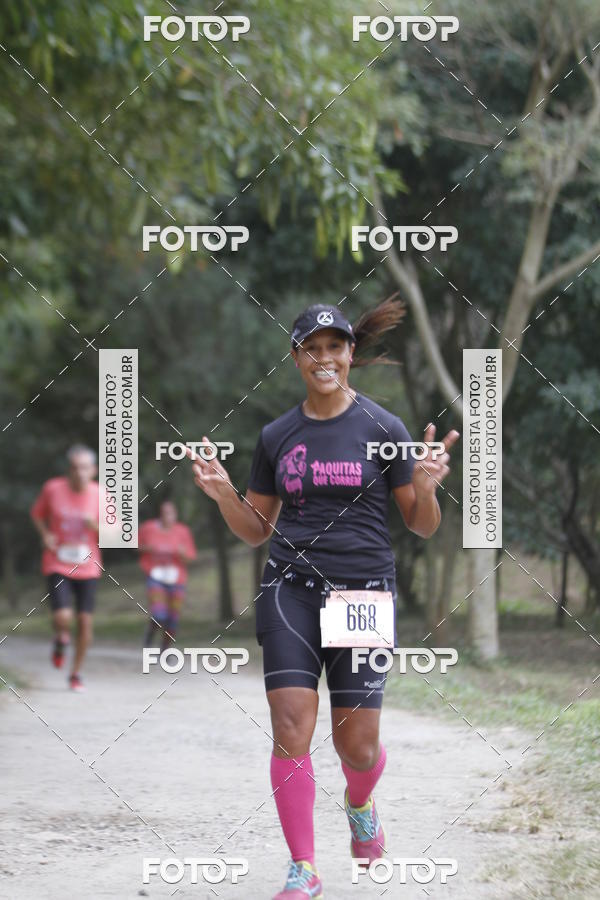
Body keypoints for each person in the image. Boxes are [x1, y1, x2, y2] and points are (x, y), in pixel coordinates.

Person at [185, 298, 459, 899]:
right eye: (312, 348)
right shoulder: (277, 435)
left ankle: (360, 806)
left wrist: (427, 488)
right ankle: (303, 867)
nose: (324, 357)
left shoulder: (384, 429)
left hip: (362, 594)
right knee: (290, 725)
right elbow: (257, 527)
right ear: (297, 357)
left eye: (335, 346)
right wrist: (225, 494)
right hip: (290, 589)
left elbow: (421, 523)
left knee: (355, 747)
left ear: (350, 353)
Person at [31, 444, 102, 692]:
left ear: (93, 470)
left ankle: (75, 673)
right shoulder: (53, 489)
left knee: (84, 622)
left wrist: (96, 525)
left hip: (88, 566)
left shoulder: (100, 494)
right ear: (68, 470)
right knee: (63, 617)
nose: (79, 473)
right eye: (74, 468)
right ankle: (61, 638)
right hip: (58, 562)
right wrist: (46, 534)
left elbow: (116, 532)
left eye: (84, 468)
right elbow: (37, 514)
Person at [138, 499, 197, 651]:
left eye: (170, 514)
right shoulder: (149, 528)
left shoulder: (182, 531)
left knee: (173, 618)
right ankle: (151, 632)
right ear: (160, 515)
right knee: (159, 615)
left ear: (175, 515)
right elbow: (136, 546)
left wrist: (183, 554)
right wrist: (147, 548)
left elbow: (190, 557)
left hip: (176, 578)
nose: (167, 517)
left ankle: (165, 649)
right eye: (164, 513)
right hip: (155, 577)